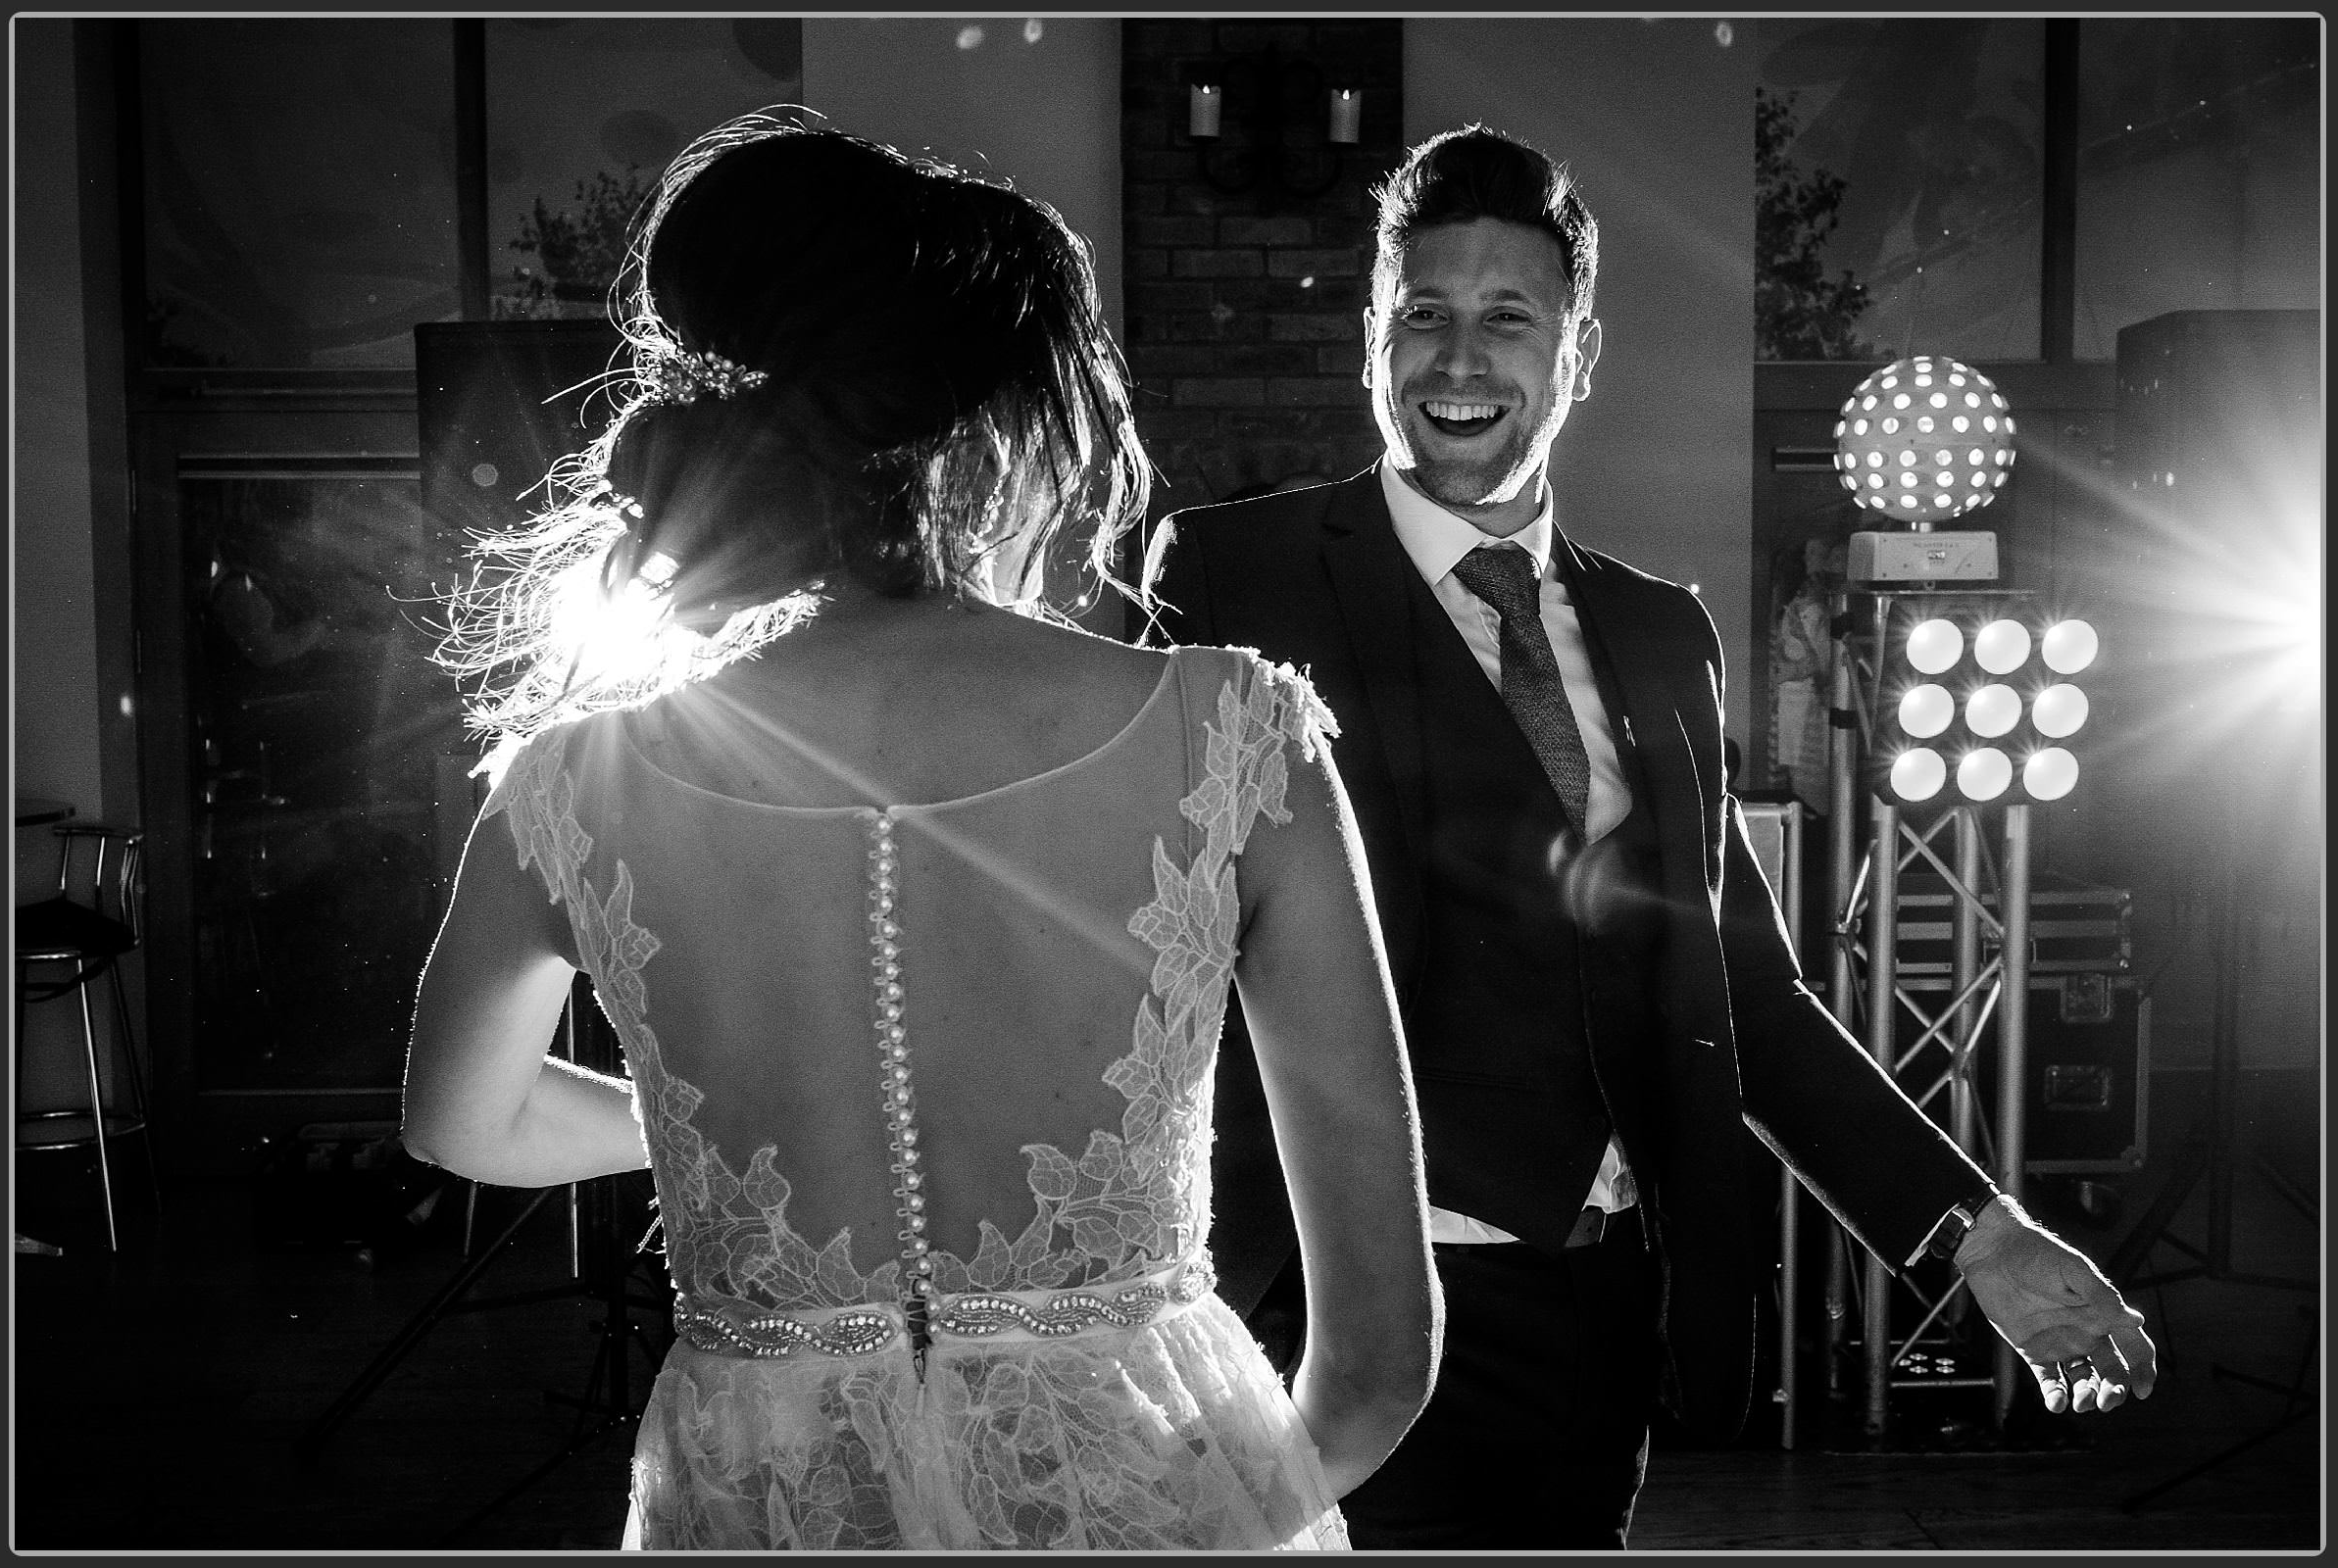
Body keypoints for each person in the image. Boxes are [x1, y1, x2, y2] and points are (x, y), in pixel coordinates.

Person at [401, 114, 1438, 1551]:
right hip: (1150, 1504)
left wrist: (722, 1133)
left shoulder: (576, 784)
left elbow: (458, 1120)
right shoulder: (1232, 738)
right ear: (998, 424)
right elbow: (1383, 1363)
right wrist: (1209, 1520)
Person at [1143, 123, 2156, 1550]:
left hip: (1591, 1307)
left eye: (1509, 320)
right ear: (1372, 338)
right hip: (1324, 1305)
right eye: (1421, 316)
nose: (1459, 362)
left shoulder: (1659, 631)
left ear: (1579, 353)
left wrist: (1974, 1227)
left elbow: (1745, 988)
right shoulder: (1229, 573)